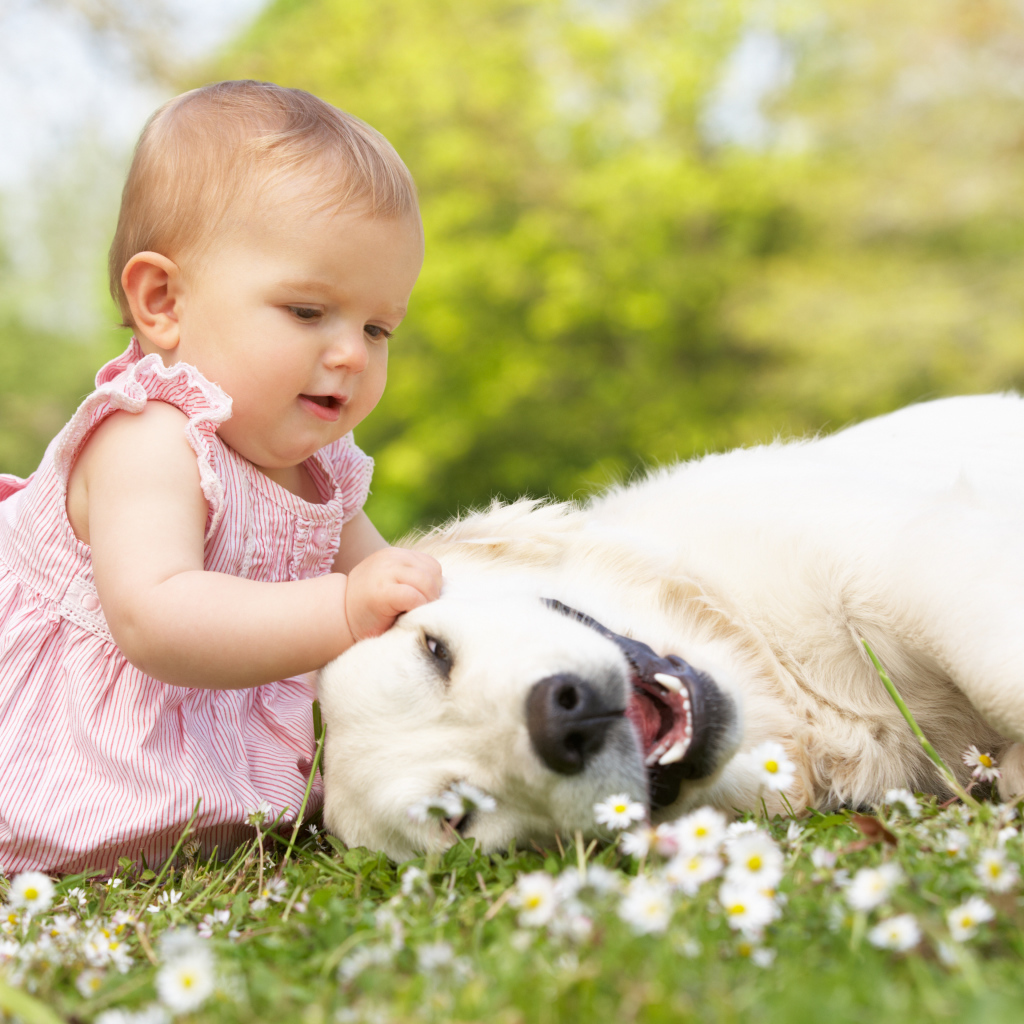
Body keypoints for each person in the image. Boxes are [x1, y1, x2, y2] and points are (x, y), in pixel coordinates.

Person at [0, 80, 443, 873]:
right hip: (78, 724)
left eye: (378, 327)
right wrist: (344, 607)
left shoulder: (323, 469)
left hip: (202, 732)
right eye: (308, 312)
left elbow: (382, 579)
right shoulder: (147, 437)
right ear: (163, 301)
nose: (350, 353)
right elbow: (159, 619)